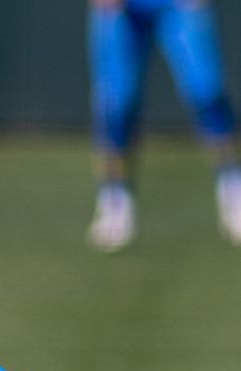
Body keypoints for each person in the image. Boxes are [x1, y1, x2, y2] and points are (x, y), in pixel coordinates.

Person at [87, 0, 241, 249]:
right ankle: (114, 201)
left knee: (208, 93)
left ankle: (233, 189)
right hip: (123, 9)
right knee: (115, 104)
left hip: (177, 5)